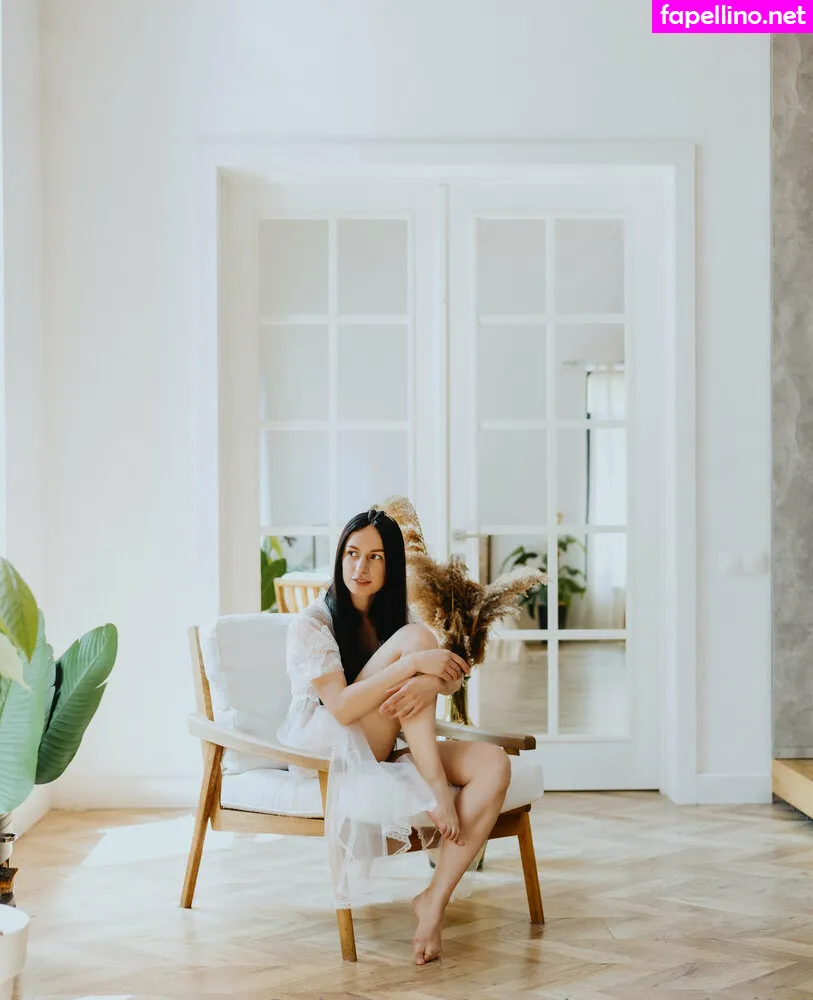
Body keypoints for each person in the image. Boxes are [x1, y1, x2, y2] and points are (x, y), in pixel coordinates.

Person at [277, 508, 512, 965]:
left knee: (494, 764)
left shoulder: (395, 618)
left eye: (375, 557)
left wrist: (426, 681)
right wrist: (413, 666)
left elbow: (451, 679)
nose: (360, 567)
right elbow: (342, 707)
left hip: (382, 742)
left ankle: (433, 901)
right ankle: (437, 788)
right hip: (329, 744)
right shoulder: (313, 623)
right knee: (418, 640)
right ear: (339, 557)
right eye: (352, 553)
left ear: (391, 566)